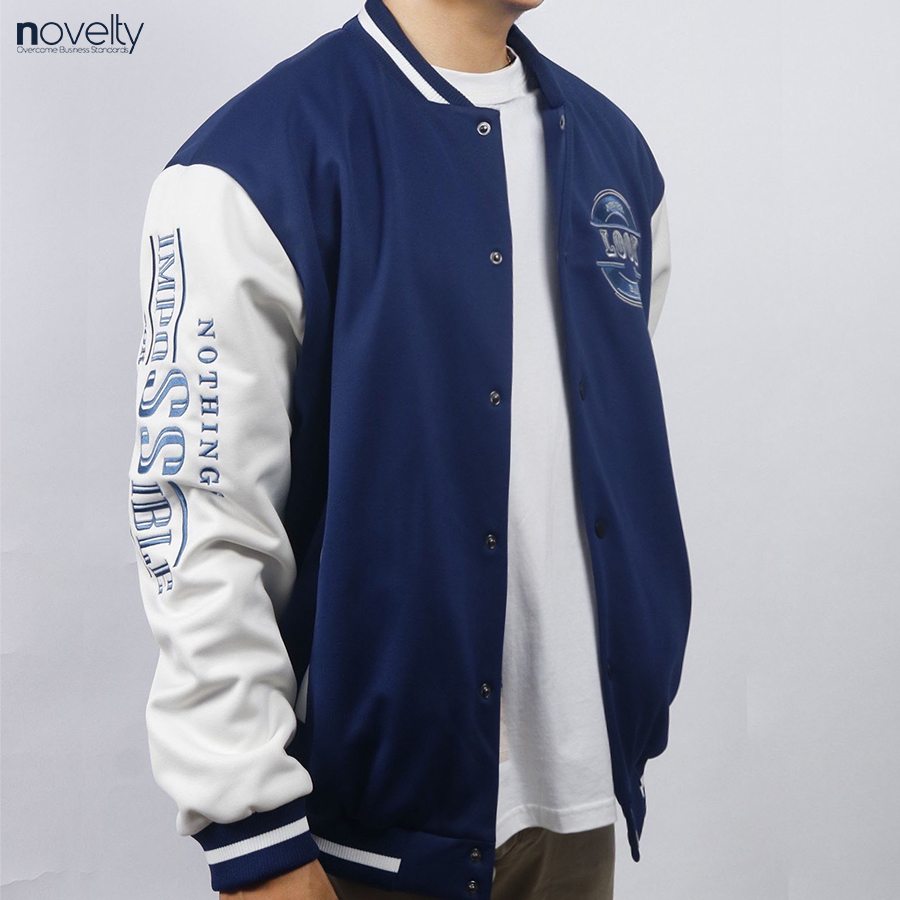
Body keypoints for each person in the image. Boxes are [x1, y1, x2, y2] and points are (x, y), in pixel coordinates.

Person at [126, 0, 691, 898]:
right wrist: (250, 824)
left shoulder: (615, 156)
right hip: (361, 838)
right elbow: (201, 514)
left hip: (579, 806)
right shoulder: (255, 163)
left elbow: (586, 455)